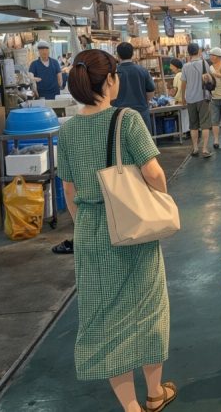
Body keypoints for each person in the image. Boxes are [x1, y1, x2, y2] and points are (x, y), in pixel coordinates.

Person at [57, 49, 175, 412]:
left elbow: (69, 190)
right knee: (148, 309)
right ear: (109, 81)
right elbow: (153, 172)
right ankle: (155, 394)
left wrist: (87, 224)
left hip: (91, 230)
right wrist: (159, 197)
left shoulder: (68, 129)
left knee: (103, 316)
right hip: (131, 226)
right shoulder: (127, 120)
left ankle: (131, 407)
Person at [112, 42, 155, 131]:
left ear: (118, 55)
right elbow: (150, 93)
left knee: (121, 143)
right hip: (140, 113)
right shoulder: (143, 71)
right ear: (132, 54)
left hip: (120, 115)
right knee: (143, 142)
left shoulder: (113, 73)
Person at [180, 43, 213, 158]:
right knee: (205, 124)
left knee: (193, 124)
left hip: (190, 98)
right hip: (203, 97)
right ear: (198, 51)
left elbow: (183, 84)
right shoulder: (204, 63)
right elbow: (209, 79)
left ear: (188, 53)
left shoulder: (185, 66)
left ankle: (195, 148)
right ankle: (204, 149)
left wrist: (183, 98)